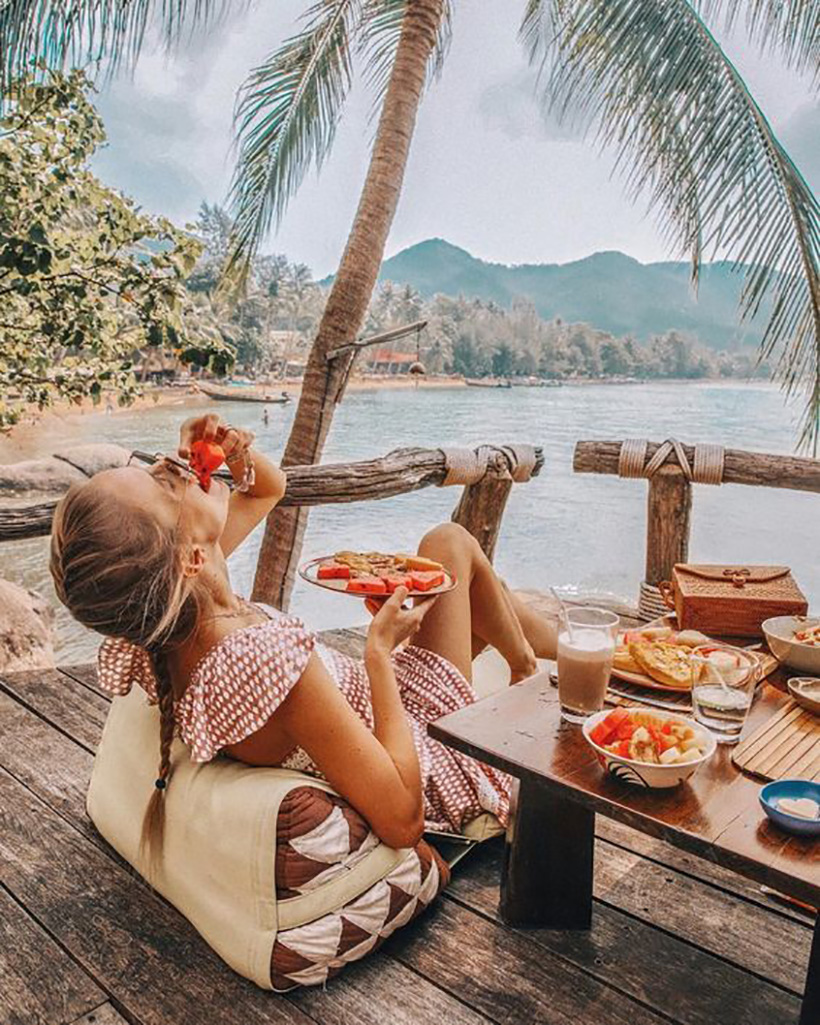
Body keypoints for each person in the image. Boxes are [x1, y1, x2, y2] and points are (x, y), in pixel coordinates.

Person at [50, 413, 556, 869]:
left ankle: (542, 656)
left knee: (448, 555)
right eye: (162, 481)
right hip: (423, 750)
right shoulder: (263, 658)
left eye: (152, 463)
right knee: (450, 545)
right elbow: (403, 822)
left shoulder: (175, 606)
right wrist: (379, 654)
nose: (172, 465)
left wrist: (236, 457)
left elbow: (270, 489)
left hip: (377, 714)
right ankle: (530, 668)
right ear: (188, 557)